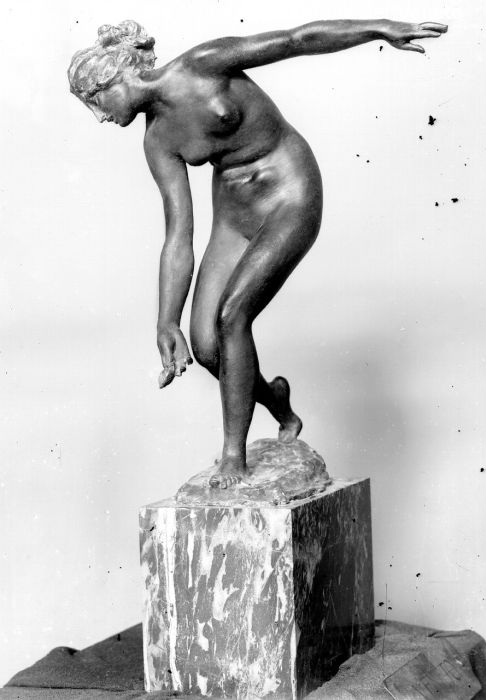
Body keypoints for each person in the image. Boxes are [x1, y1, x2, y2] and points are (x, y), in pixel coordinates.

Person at [68, 18, 447, 488]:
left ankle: (234, 457)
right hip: (234, 215)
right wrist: (167, 321)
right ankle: (278, 404)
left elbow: (295, 41)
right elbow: (178, 236)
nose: (99, 116)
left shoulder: (202, 65)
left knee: (233, 315)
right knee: (207, 347)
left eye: (94, 100)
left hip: (289, 192)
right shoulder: (157, 141)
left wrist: (379, 30)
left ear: (115, 78)